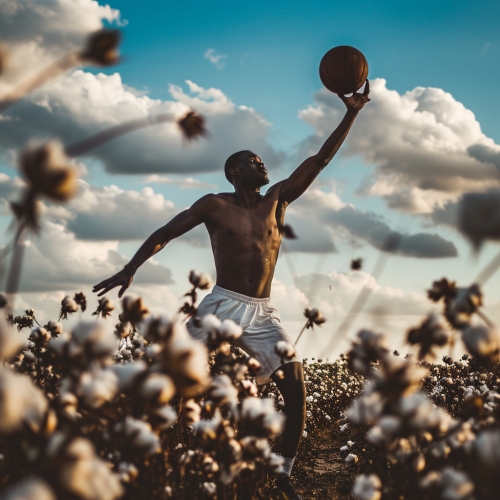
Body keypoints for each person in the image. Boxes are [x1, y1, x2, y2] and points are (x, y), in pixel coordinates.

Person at [93, 82, 370, 500]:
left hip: (262, 312)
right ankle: (122, 453)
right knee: (162, 379)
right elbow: (166, 233)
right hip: (220, 305)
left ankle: (281, 474)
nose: (262, 164)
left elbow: (320, 159)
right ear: (234, 172)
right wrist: (130, 269)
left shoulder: (278, 199)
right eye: (252, 160)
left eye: (261, 159)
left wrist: (351, 112)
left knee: (296, 390)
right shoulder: (213, 204)